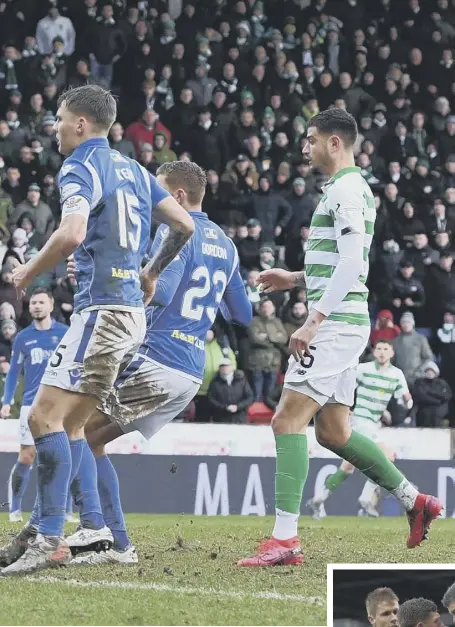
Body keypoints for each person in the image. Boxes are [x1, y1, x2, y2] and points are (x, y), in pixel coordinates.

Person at [1, 85, 195, 576]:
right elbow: (183, 225)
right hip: (127, 313)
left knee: (43, 419)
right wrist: (150, 272)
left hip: (102, 312)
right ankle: (48, 533)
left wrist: (28, 273)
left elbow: (71, 232)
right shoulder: (134, 169)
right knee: (68, 427)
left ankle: (47, 536)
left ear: (82, 124)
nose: (57, 127)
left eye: (61, 119)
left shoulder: (81, 165)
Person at [237, 108, 441, 568]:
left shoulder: (349, 189)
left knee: (286, 421)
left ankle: (285, 540)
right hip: (344, 322)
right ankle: (414, 500)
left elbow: (353, 265)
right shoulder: (343, 189)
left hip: (334, 325)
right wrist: (294, 277)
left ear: (335, 142)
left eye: (310, 140)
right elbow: (340, 262)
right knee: (333, 432)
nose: (303, 148)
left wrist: (313, 321)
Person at [61, 161, 252, 564]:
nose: (153, 203)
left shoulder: (173, 230)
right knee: (91, 440)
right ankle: (118, 544)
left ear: (178, 197)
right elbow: (242, 315)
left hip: (155, 357)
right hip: (189, 370)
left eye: (159, 193)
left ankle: (95, 531)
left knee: (68, 427)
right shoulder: (227, 245)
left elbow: (159, 292)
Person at [308, 340, 412, 520]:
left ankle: (319, 498)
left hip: (373, 422)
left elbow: (406, 401)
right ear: (373, 352)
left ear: (392, 353)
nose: (381, 352)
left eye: (385, 349)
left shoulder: (397, 375)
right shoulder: (363, 369)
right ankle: (365, 499)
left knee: (348, 467)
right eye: (378, 348)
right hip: (360, 421)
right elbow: (344, 386)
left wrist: (406, 399)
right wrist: (345, 408)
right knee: (385, 456)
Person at [0, 289, 70, 523]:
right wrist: (7, 401)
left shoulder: (65, 334)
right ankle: (15, 510)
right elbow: (14, 373)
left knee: (62, 456)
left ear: (51, 305)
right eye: (33, 303)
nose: (37, 306)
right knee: (27, 455)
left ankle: (65, 510)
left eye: (41, 302)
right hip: (31, 405)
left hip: (60, 404)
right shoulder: (22, 338)